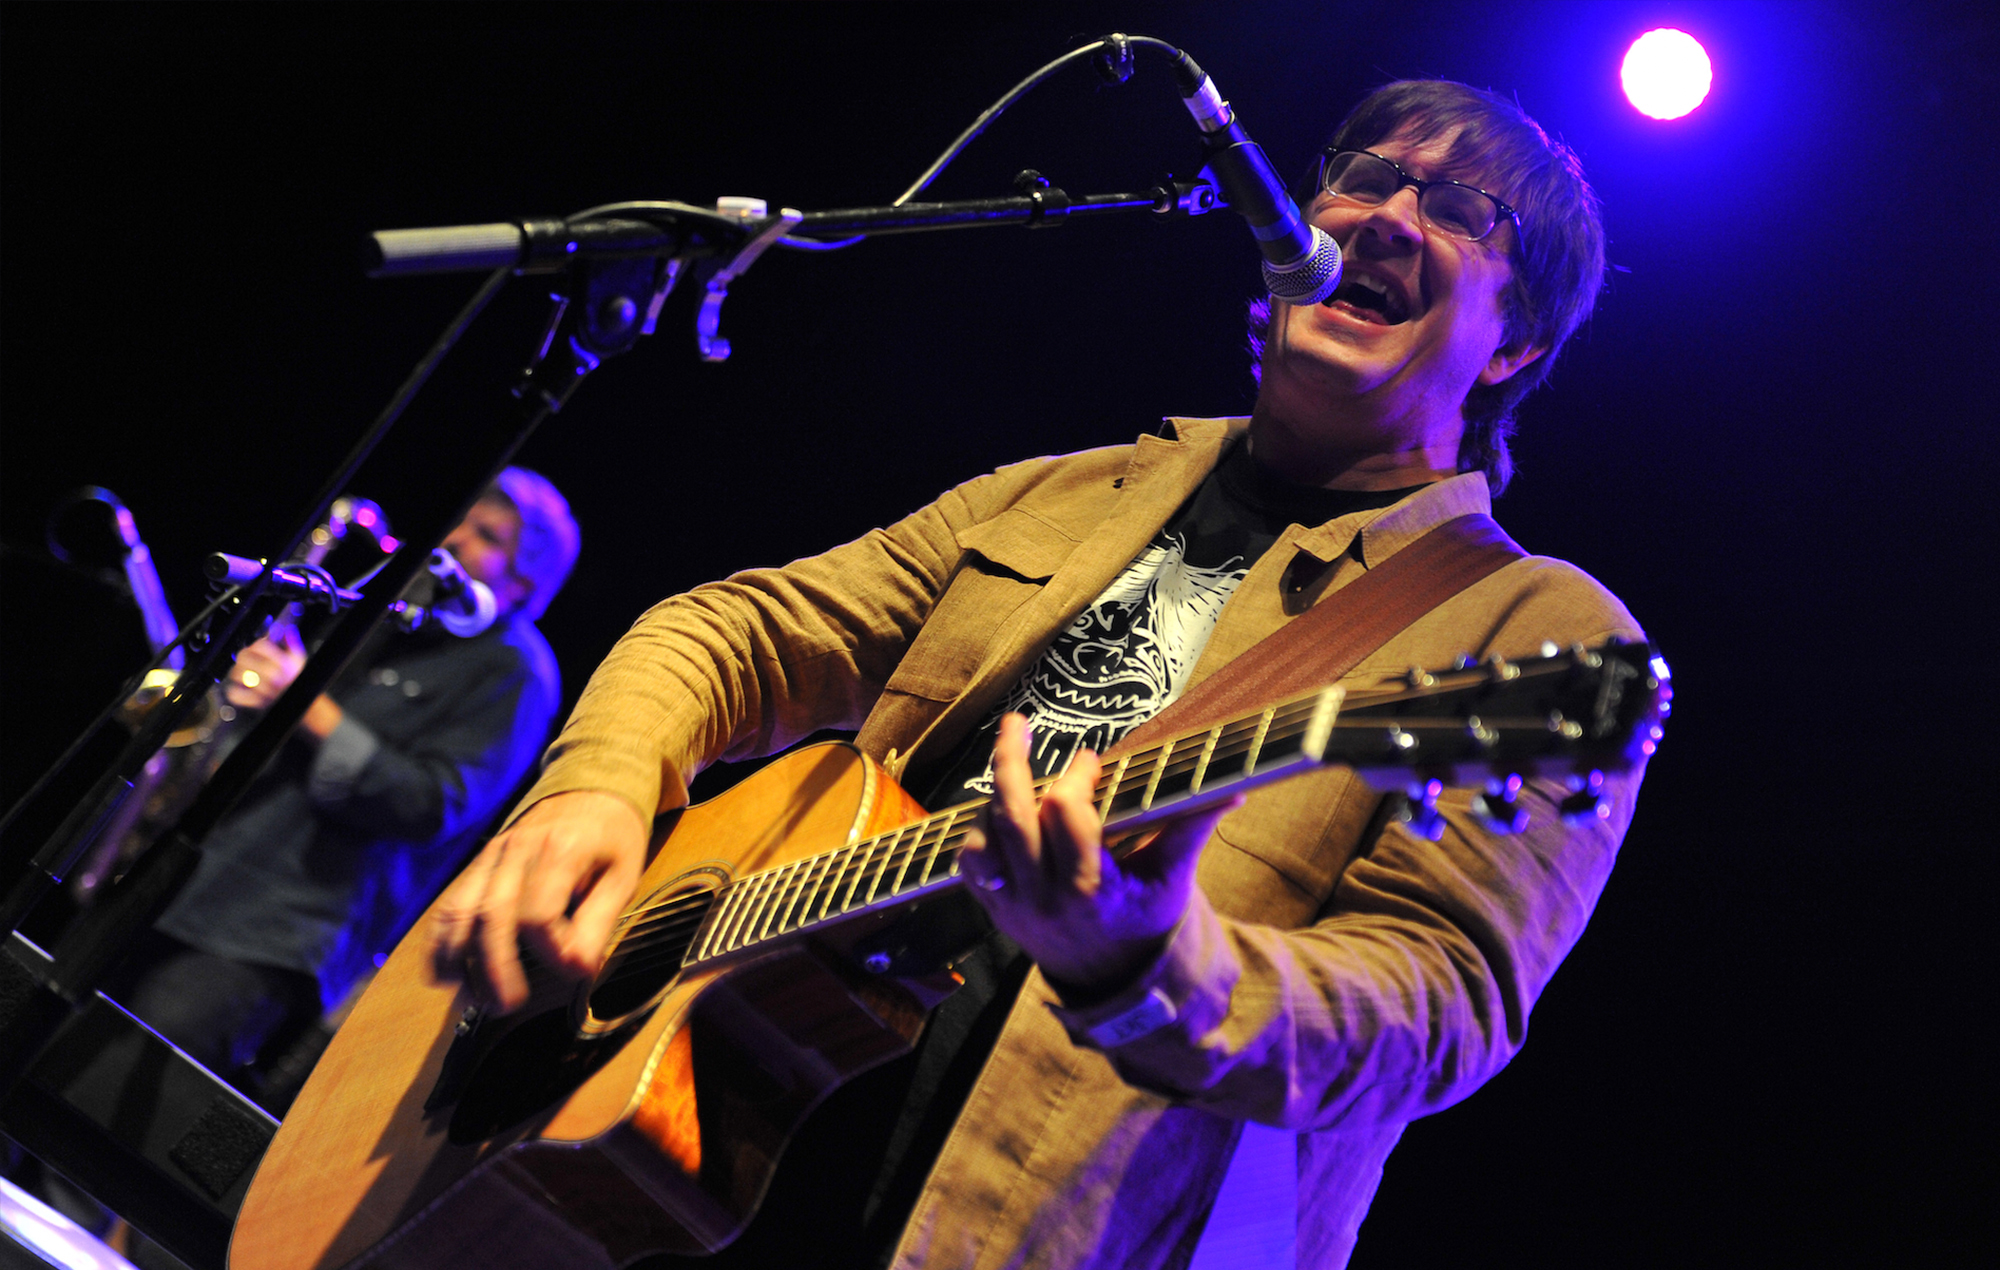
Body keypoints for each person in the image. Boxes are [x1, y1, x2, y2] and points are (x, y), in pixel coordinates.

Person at [432, 80, 1645, 1270]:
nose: (1387, 216)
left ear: (1515, 345)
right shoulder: (1068, 489)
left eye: (1461, 213)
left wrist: (1154, 959)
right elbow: (734, 628)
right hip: (665, 1146)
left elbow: (1435, 1005)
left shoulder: (1531, 627)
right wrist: (590, 790)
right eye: (1367, 177)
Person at [120, 467, 578, 1096]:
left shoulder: (518, 672)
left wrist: (304, 705)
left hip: (275, 930)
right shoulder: (388, 614)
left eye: (488, 536)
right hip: (182, 879)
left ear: (526, 583)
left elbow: (433, 805)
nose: (457, 539)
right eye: (462, 519)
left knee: (108, 1117)